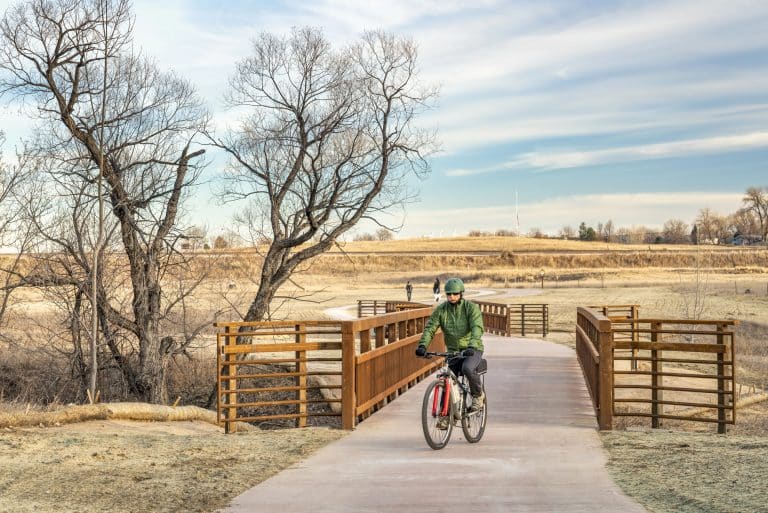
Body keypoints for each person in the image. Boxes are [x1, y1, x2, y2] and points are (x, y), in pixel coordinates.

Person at [415, 277, 485, 425]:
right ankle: (445, 417)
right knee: (447, 379)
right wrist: (422, 345)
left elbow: (476, 328)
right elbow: (430, 328)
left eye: (455, 294)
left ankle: (478, 395)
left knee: (467, 368)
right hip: (453, 351)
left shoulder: (470, 308)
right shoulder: (441, 310)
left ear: (461, 294)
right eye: (449, 294)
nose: (451, 297)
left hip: (473, 349)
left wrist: (472, 346)